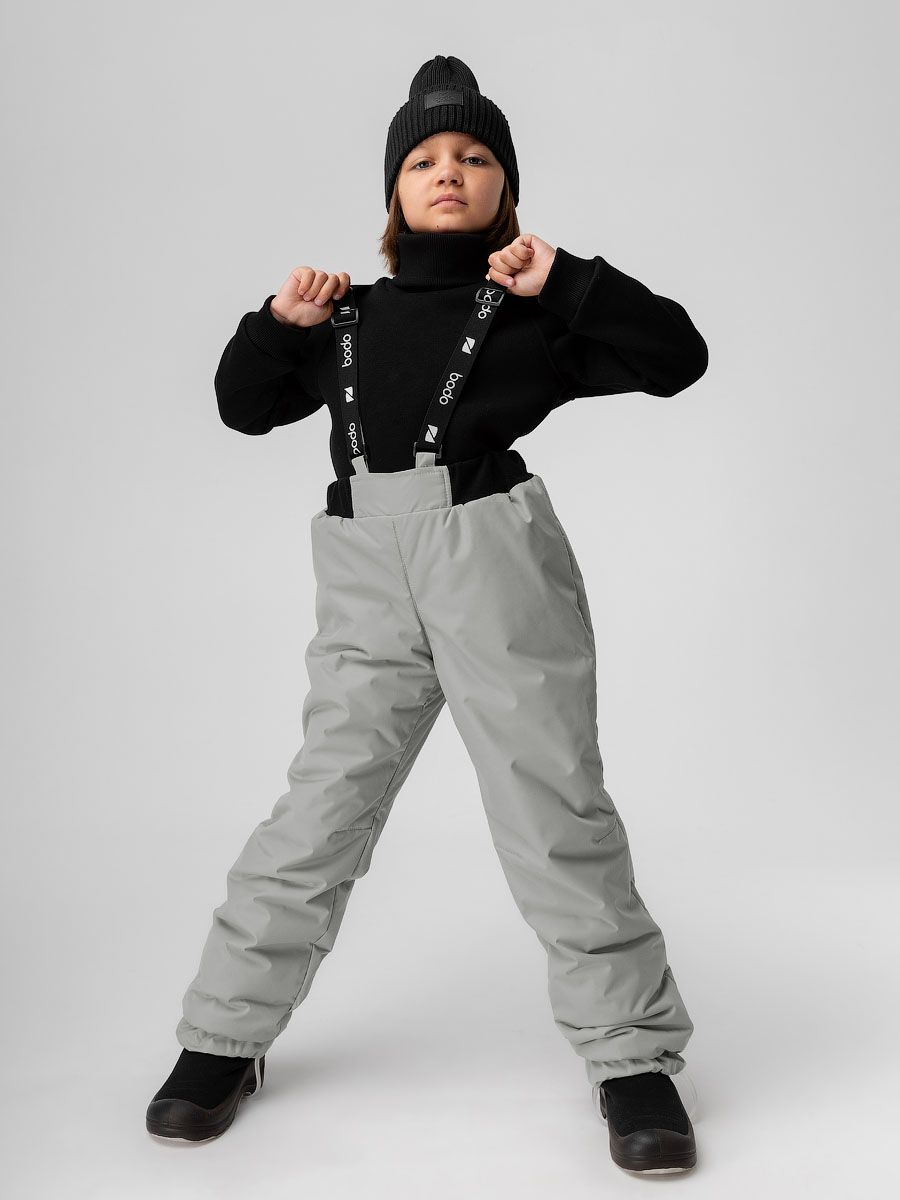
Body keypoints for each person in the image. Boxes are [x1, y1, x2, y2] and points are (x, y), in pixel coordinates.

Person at [146, 54, 708, 1174]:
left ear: (506, 188)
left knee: (553, 810)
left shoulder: (532, 314)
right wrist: (277, 321)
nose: (449, 171)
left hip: (492, 563)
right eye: (425, 159)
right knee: (318, 813)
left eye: (475, 156)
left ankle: (632, 1059)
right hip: (364, 570)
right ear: (395, 191)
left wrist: (568, 279)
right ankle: (223, 1040)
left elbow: (677, 356)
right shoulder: (344, 318)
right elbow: (241, 406)